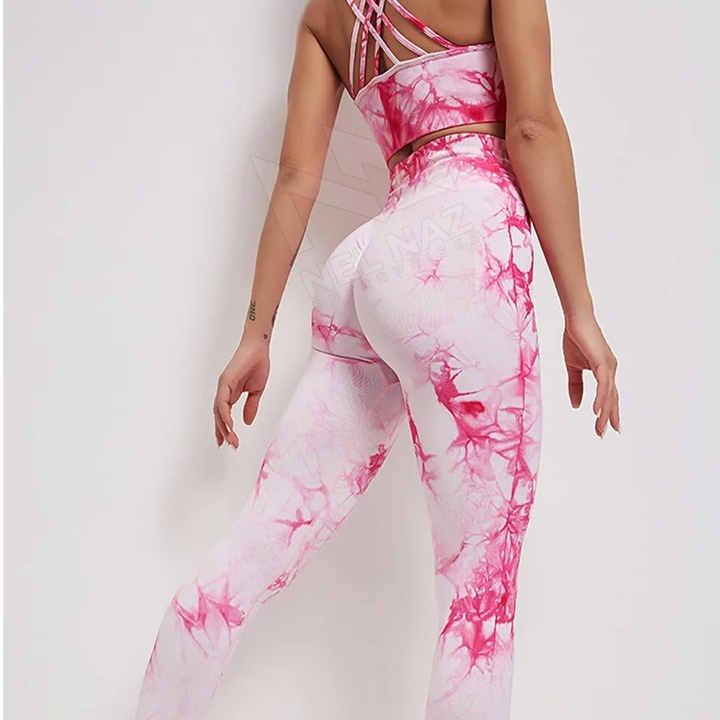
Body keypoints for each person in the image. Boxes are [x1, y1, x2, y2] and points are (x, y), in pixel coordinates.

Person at [135, 0, 620, 717]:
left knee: (256, 547)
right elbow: (531, 125)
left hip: (369, 260)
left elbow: (296, 178)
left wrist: (256, 334)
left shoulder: (323, 14)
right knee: (479, 603)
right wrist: (581, 310)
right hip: (464, 242)